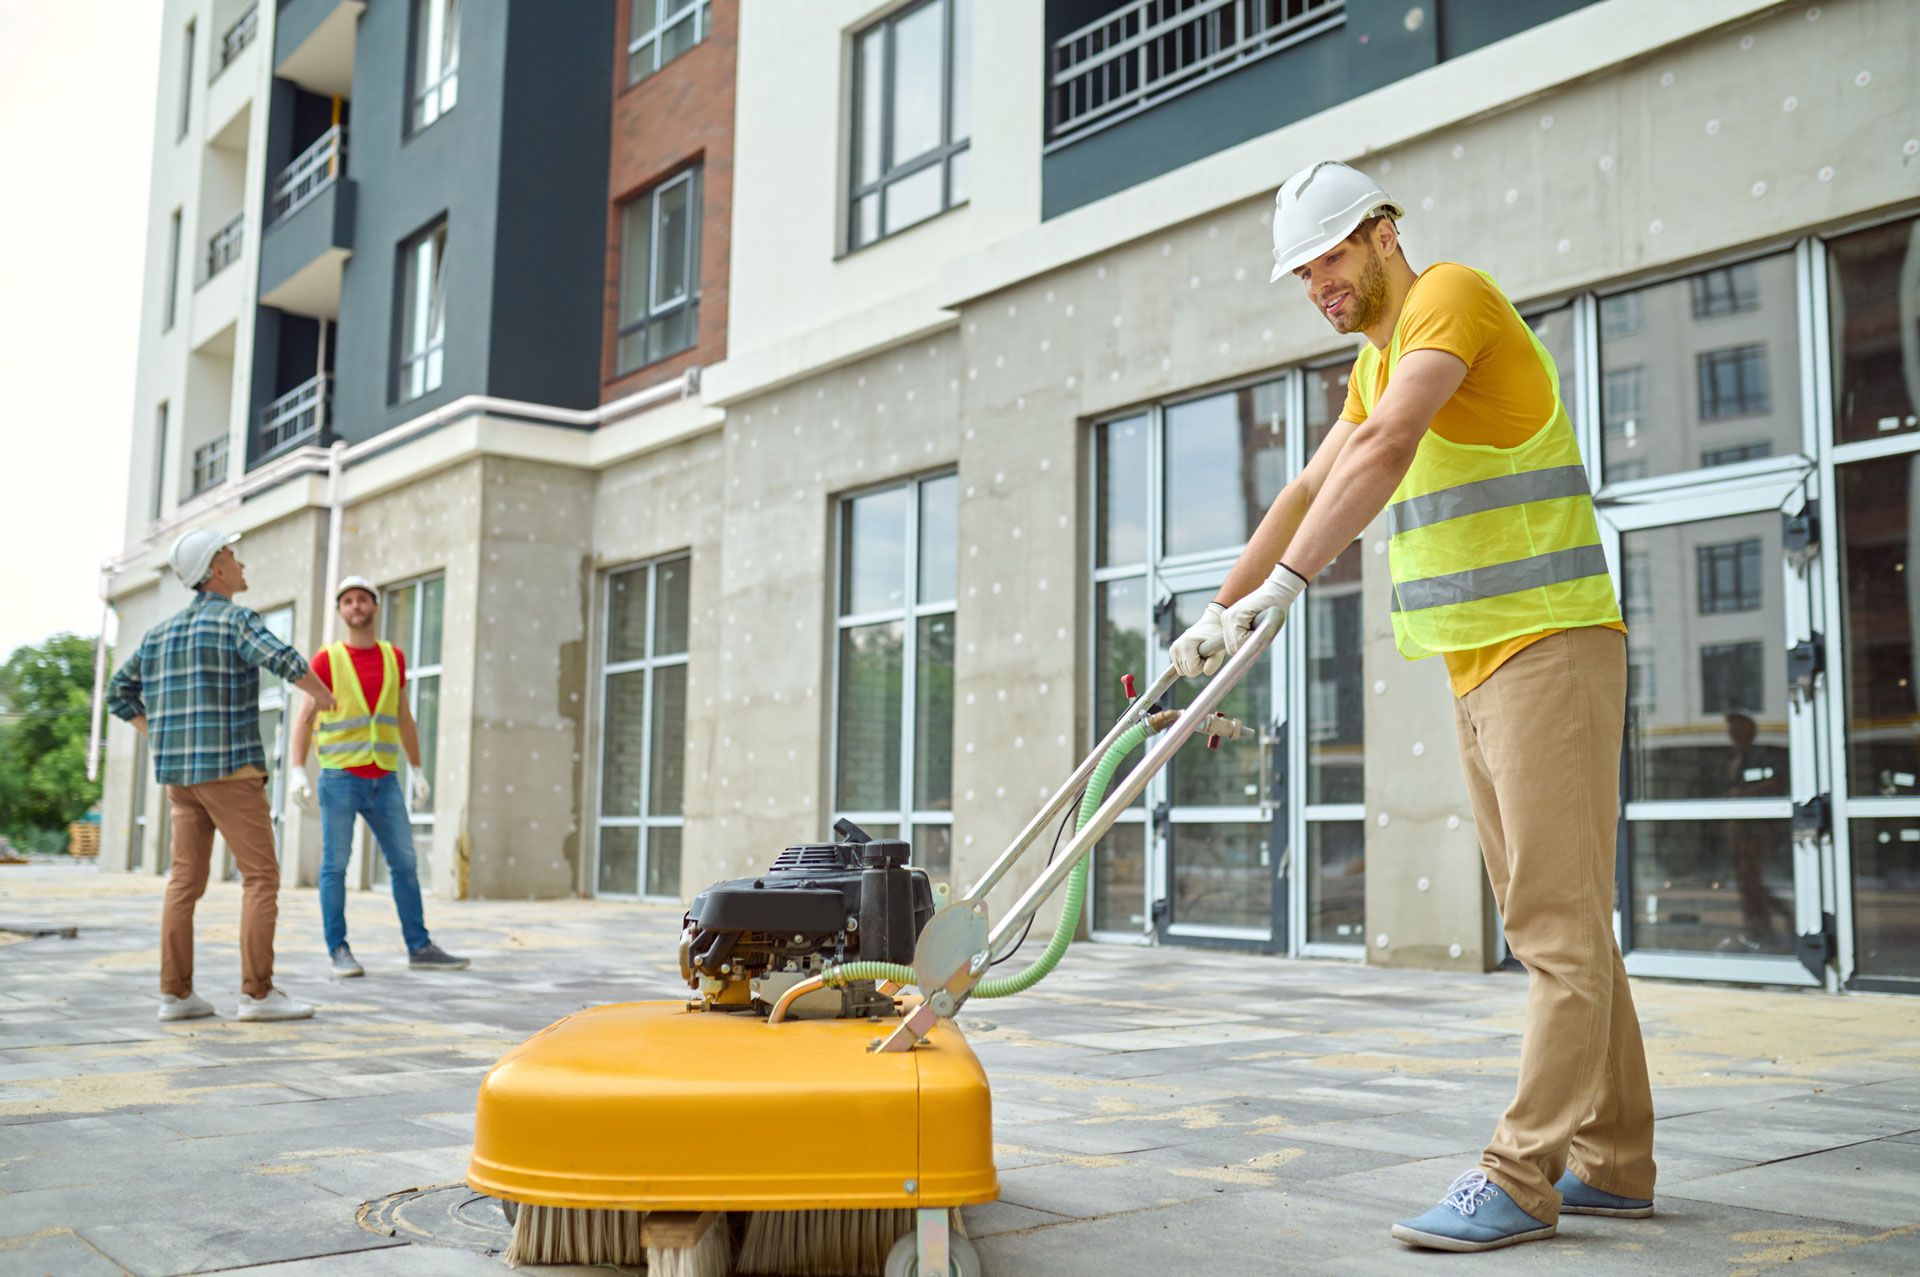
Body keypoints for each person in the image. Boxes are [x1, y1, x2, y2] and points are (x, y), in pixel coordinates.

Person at [1170, 160, 1655, 1252]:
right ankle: (1615, 1161)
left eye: (1329, 257)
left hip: (1550, 642)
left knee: (1550, 925)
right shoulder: (1374, 356)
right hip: (1478, 659)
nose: (1316, 285)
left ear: (1385, 232)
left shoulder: (1452, 298)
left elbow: (1388, 448)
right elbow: (1305, 487)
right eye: (1301, 272)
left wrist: (1289, 589)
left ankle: (1521, 1174)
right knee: (1564, 917)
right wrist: (1215, 614)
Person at [107, 529, 334, 1023]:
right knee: (260, 878)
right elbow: (284, 659)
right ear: (215, 570)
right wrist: (320, 694)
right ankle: (257, 994)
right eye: (233, 557)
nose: (241, 564)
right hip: (230, 772)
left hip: (180, 780)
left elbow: (117, 693)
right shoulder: (236, 620)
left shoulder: (158, 635)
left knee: (183, 883)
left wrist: (161, 734)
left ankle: (176, 994)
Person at [287, 576, 468, 976]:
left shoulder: (393, 657)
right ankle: (339, 949)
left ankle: (419, 948)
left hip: (384, 779)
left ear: (374, 606)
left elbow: (403, 716)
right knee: (335, 865)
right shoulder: (327, 660)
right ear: (340, 611)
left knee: (404, 862)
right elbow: (305, 717)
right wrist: (297, 770)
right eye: (348, 601)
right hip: (339, 779)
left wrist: (417, 768)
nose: (355, 606)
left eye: (362, 599)